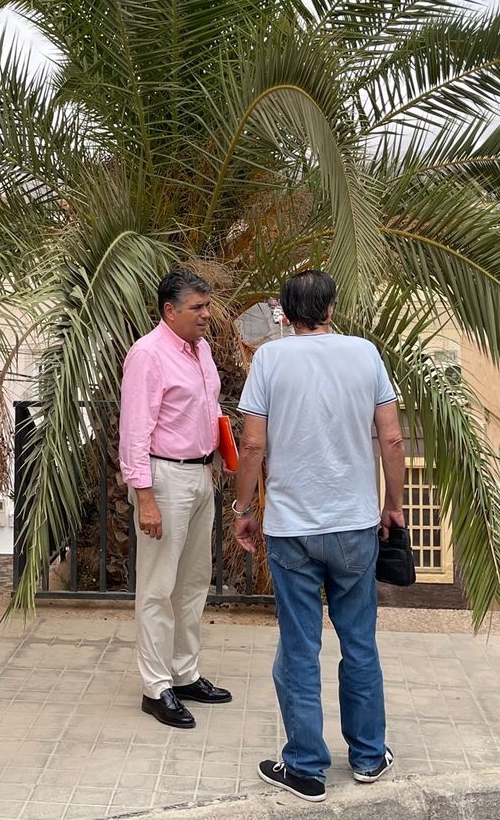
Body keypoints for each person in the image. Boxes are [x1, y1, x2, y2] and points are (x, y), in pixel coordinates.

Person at [231, 268, 406, 802]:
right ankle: (369, 757)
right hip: (355, 525)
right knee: (360, 643)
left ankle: (305, 767)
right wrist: (393, 504)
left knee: (300, 647)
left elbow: (254, 445)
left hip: (292, 529)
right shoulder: (366, 354)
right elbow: (393, 437)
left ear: (284, 313)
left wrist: (244, 507)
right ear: (331, 307)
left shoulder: (269, 359)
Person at [118, 267, 234, 728]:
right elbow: (134, 431)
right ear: (170, 311)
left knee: (193, 582)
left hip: (200, 474)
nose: (207, 315)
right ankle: (156, 687)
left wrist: (219, 454)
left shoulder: (200, 349)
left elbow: (206, 408)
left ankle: (185, 673)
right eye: (197, 308)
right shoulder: (147, 355)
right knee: (157, 588)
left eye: (207, 306)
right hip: (164, 479)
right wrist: (145, 497)